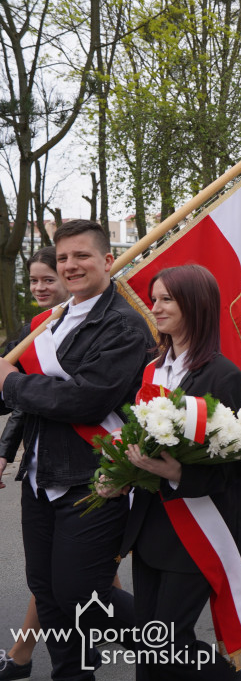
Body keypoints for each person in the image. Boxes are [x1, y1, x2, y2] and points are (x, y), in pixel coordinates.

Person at [101, 264, 241, 680]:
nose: (155, 308)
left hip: (198, 530)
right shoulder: (152, 370)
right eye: (154, 299)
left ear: (194, 305)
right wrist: (121, 473)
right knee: (151, 643)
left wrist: (178, 471)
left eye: (166, 300)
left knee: (168, 643)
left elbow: (232, 470)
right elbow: (137, 437)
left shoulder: (223, 375)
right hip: (150, 528)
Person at [0, 220, 153, 680]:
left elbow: (85, 400)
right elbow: (16, 396)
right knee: (46, 592)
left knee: (84, 596)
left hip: (94, 480)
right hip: (39, 479)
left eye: (82, 255)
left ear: (108, 261)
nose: (70, 266)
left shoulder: (123, 325)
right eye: (63, 257)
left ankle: (196, 662)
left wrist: (13, 382)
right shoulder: (47, 324)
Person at [0, 247, 74, 680]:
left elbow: (55, 399)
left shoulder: (95, 329)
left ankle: (178, 653)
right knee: (69, 582)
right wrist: (6, 451)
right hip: (44, 472)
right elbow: (25, 401)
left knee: (68, 581)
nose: (41, 287)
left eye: (50, 279)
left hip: (98, 475)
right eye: (35, 281)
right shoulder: (34, 332)